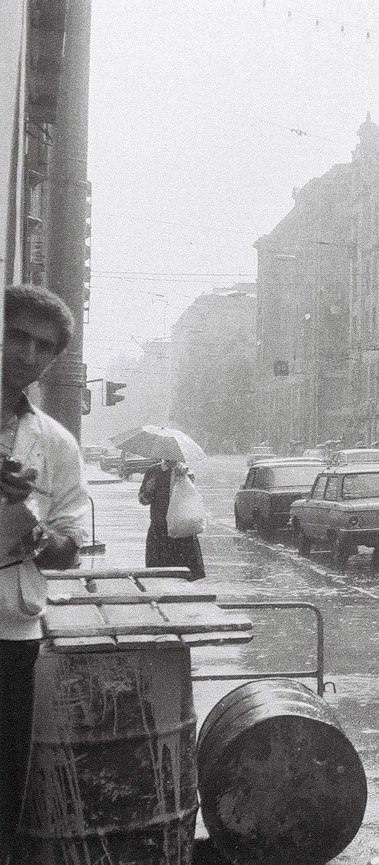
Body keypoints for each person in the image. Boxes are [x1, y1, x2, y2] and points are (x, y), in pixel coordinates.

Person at [1, 284, 91, 860]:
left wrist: (40, 534)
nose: (29, 354)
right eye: (17, 336)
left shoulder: (55, 444)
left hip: (10, 631)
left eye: (44, 347)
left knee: (4, 784)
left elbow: (70, 545)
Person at [139, 459, 206, 579]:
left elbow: (191, 498)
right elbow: (143, 500)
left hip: (181, 528)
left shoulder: (186, 471)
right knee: (158, 574)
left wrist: (184, 478)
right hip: (159, 529)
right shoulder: (153, 471)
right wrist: (149, 489)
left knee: (185, 573)